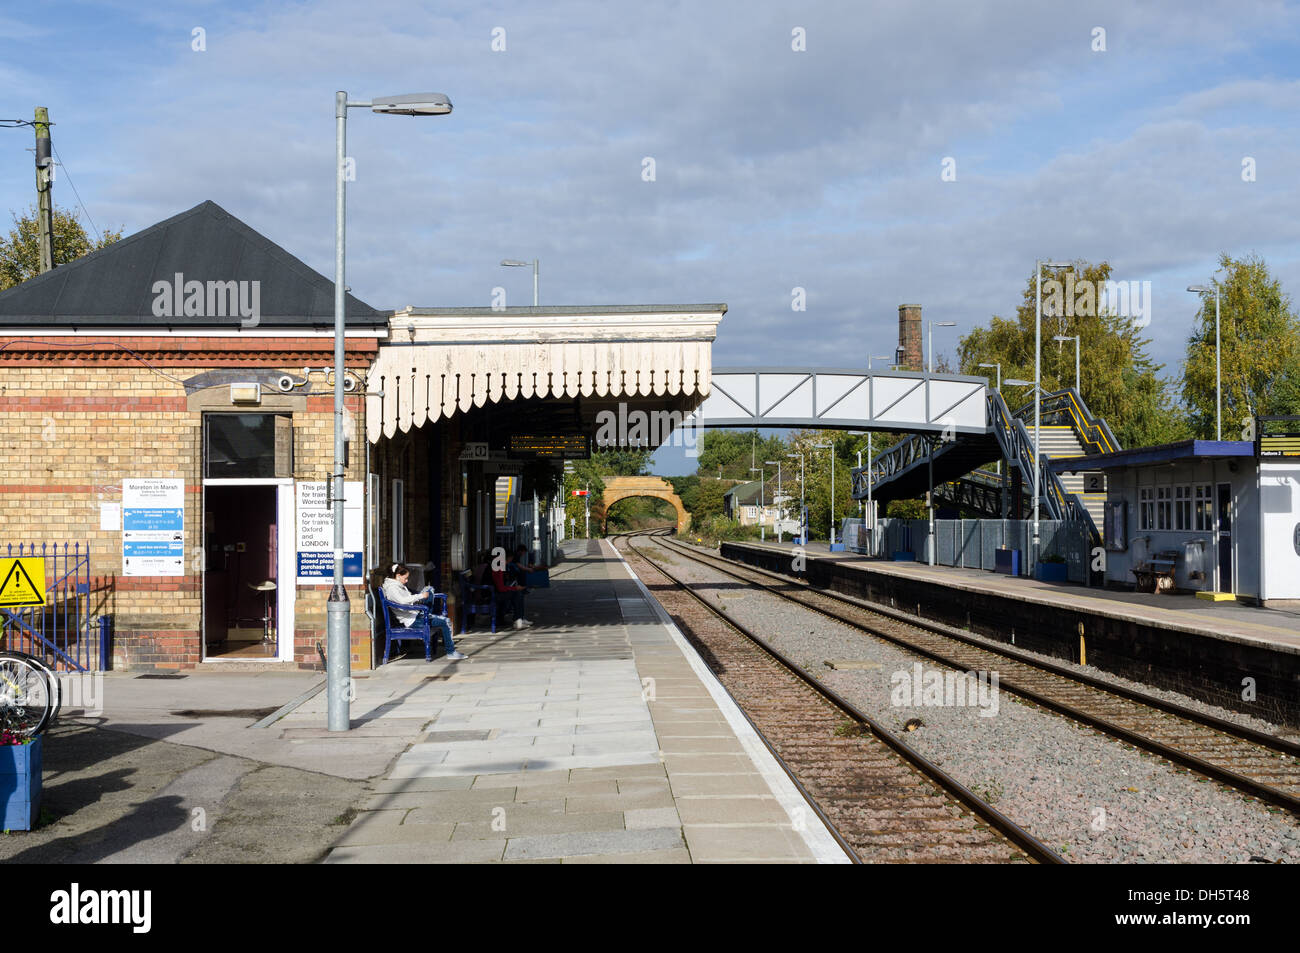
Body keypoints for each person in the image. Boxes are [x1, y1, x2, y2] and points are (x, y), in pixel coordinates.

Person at [381, 563, 466, 660]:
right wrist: (420, 596)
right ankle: (451, 652)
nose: (407, 580)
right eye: (405, 578)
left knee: (430, 590)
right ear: (398, 576)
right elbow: (403, 601)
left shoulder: (397, 585)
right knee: (445, 622)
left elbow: (406, 599)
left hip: (414, 615)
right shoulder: (393, 588)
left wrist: (423, 596)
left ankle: (430, 616)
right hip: (412, 621)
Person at [491, 557, 532, 630]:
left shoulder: (498, 569)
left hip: (495, 593)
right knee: (517, 594)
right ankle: (518, 620)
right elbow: (501, 588)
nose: (507, 563)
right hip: (494, 595)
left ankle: (519, 619)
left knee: (518, 593)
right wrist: (515, 588)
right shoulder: (498, 570)